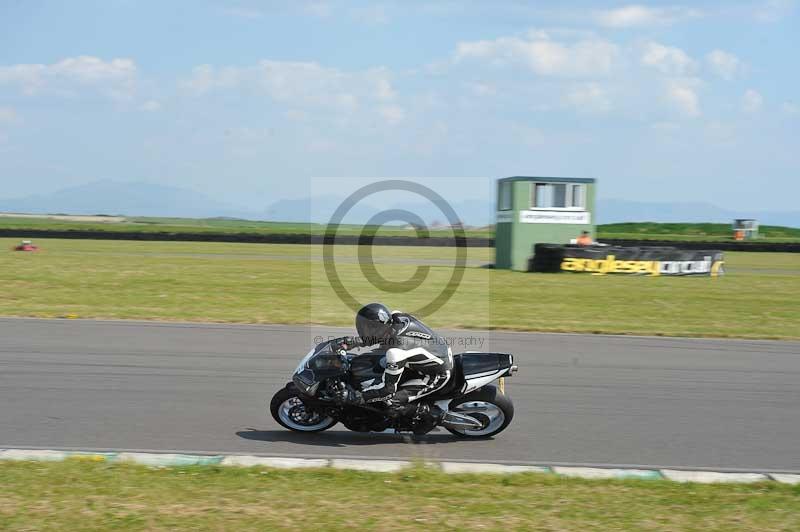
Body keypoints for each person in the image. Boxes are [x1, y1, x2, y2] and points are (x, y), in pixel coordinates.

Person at [334, 303, 453, 409]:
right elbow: (381, 335)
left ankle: (427, 415)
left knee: (390, 402)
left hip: (436, 374)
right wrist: (353, 342)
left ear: (378, 328)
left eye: (367, 328)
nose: (363, 330)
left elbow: (388, 391)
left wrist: (357, 396)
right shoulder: (396, 317)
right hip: (434, 352)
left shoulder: (396, 352)